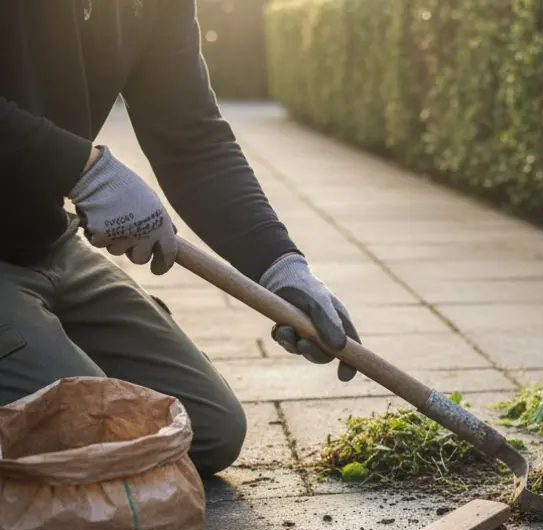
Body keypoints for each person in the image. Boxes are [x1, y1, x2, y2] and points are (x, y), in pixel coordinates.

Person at [1, 0, 360, 475]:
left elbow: (193, 140)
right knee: (91, 440)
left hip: (46, 241)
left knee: (206, 430)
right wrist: (82, 170)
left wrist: (281, 265)